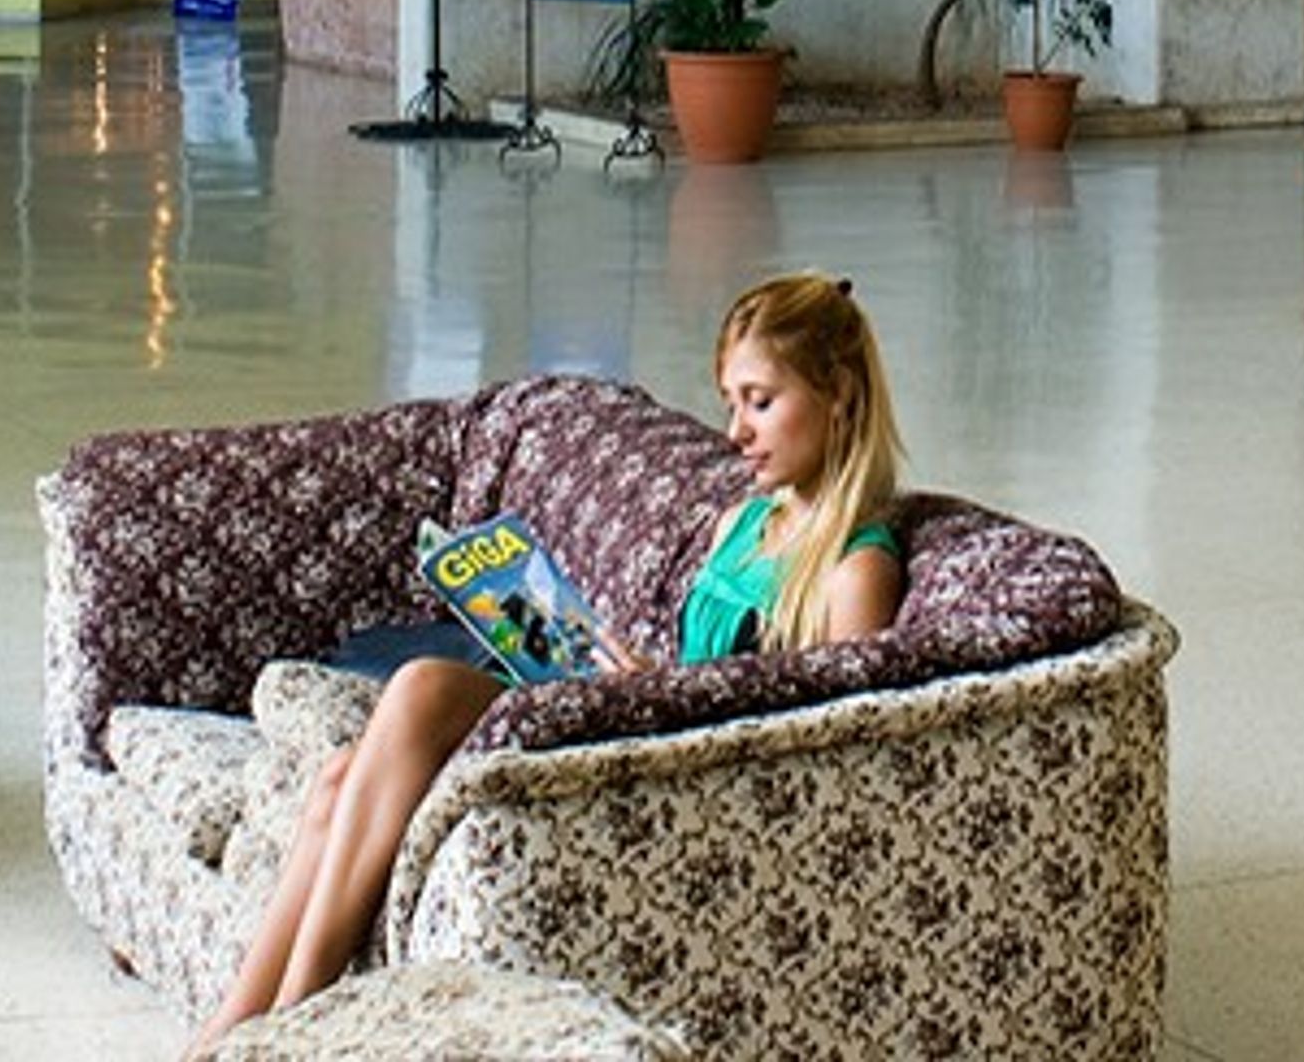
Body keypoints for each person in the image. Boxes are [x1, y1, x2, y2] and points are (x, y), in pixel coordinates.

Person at [190, 271, 905, 1051]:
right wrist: (638, 676)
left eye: (759, 402)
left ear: (839, 394)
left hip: (686, 776)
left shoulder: (855, 569)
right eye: (730, 402)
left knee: (424, 687)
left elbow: (826, 758)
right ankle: (228, 1031)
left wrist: (666, 696)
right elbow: (701, 664)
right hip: (646, 718)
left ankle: (292, 1024)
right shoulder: (745, 522)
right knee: (337, 777)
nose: (735, 432)